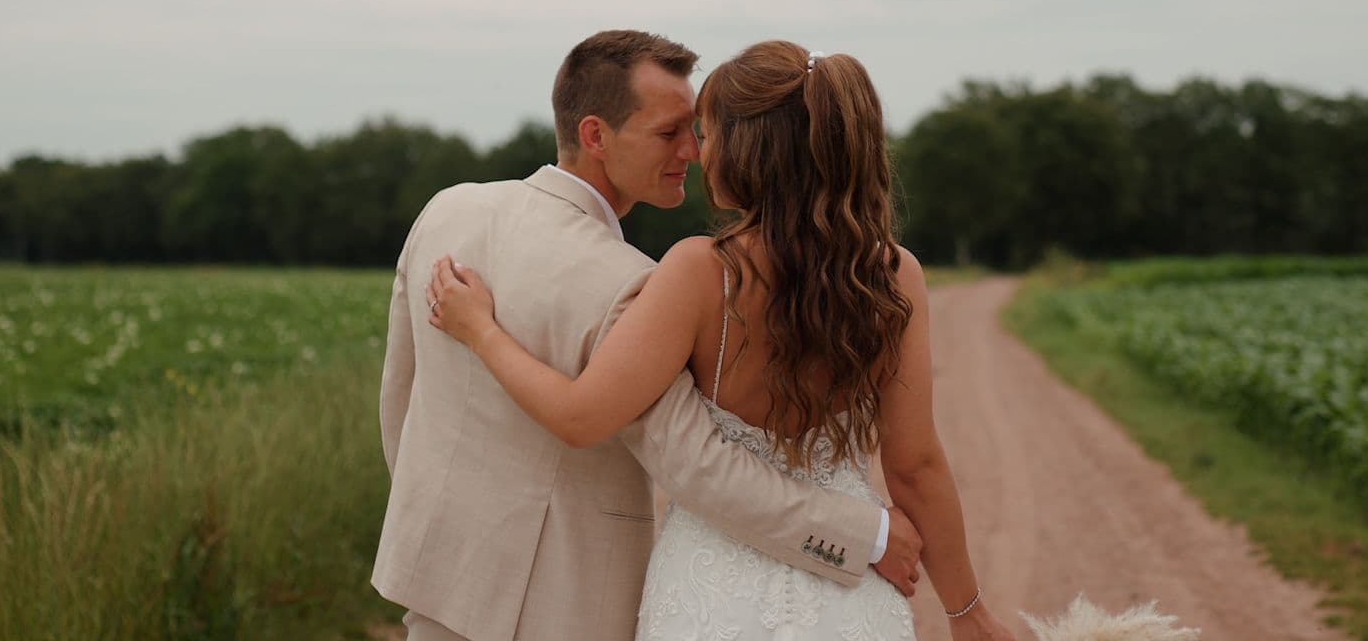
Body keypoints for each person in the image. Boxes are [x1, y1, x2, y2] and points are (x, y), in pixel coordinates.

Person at [428, 40, 1016, 641]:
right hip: (849, 596)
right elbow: (916, 467)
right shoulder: (893, 275)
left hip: (710, 595)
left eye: (706, 134)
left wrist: (481, 331)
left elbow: (580, 419)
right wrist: (966, 611)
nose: (696, 152)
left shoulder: (700, 272)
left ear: (748, 150)